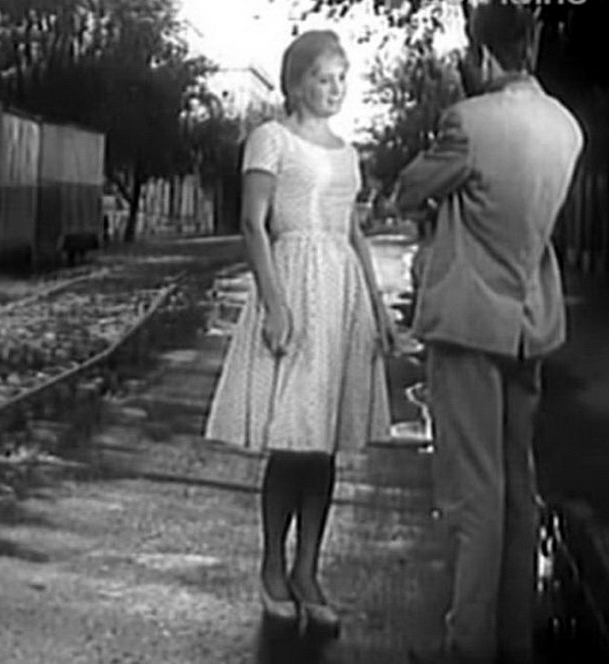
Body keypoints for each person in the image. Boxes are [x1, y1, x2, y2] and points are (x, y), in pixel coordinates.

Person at [393, 4, 584, 663]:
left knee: (474, 495)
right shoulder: (566, 126)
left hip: (470, 327)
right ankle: (513, 638)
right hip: (529, 324)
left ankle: (467, 643)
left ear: (479, 56)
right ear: (530, 46)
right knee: (517, 489)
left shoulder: (469, 123)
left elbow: (407, 189)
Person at [204, 30, 393, 636]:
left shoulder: (347, 151)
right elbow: (252, 224)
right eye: (322, 78)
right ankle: (272, 567)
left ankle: (309, 570)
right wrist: (275, 304)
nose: (335, 89)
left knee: (324, 442)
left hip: (341, 295)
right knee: (292, 440)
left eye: (341, 78)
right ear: (296, 82)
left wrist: (378, 307)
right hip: (294, 285)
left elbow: (353, 232)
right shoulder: (272, 138)